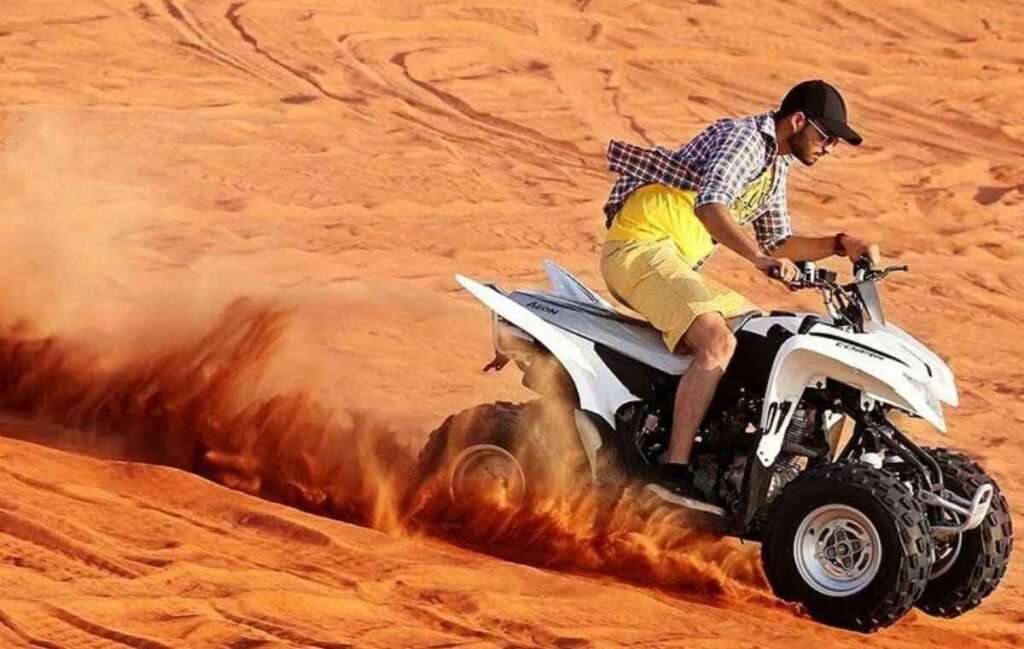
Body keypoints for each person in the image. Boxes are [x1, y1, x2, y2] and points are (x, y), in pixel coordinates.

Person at [600, 79, 881, 503]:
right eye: (825, 136)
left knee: (763, 340)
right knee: (716, 341)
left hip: (671, 262)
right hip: (639, 246)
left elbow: (779, 242)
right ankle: (672, 474)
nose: (829, 148)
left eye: (836, 142)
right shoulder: (747, 141)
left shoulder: (776, 165)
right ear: (798, 121)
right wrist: (757, 260)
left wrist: (841, 244)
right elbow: (710, 205)